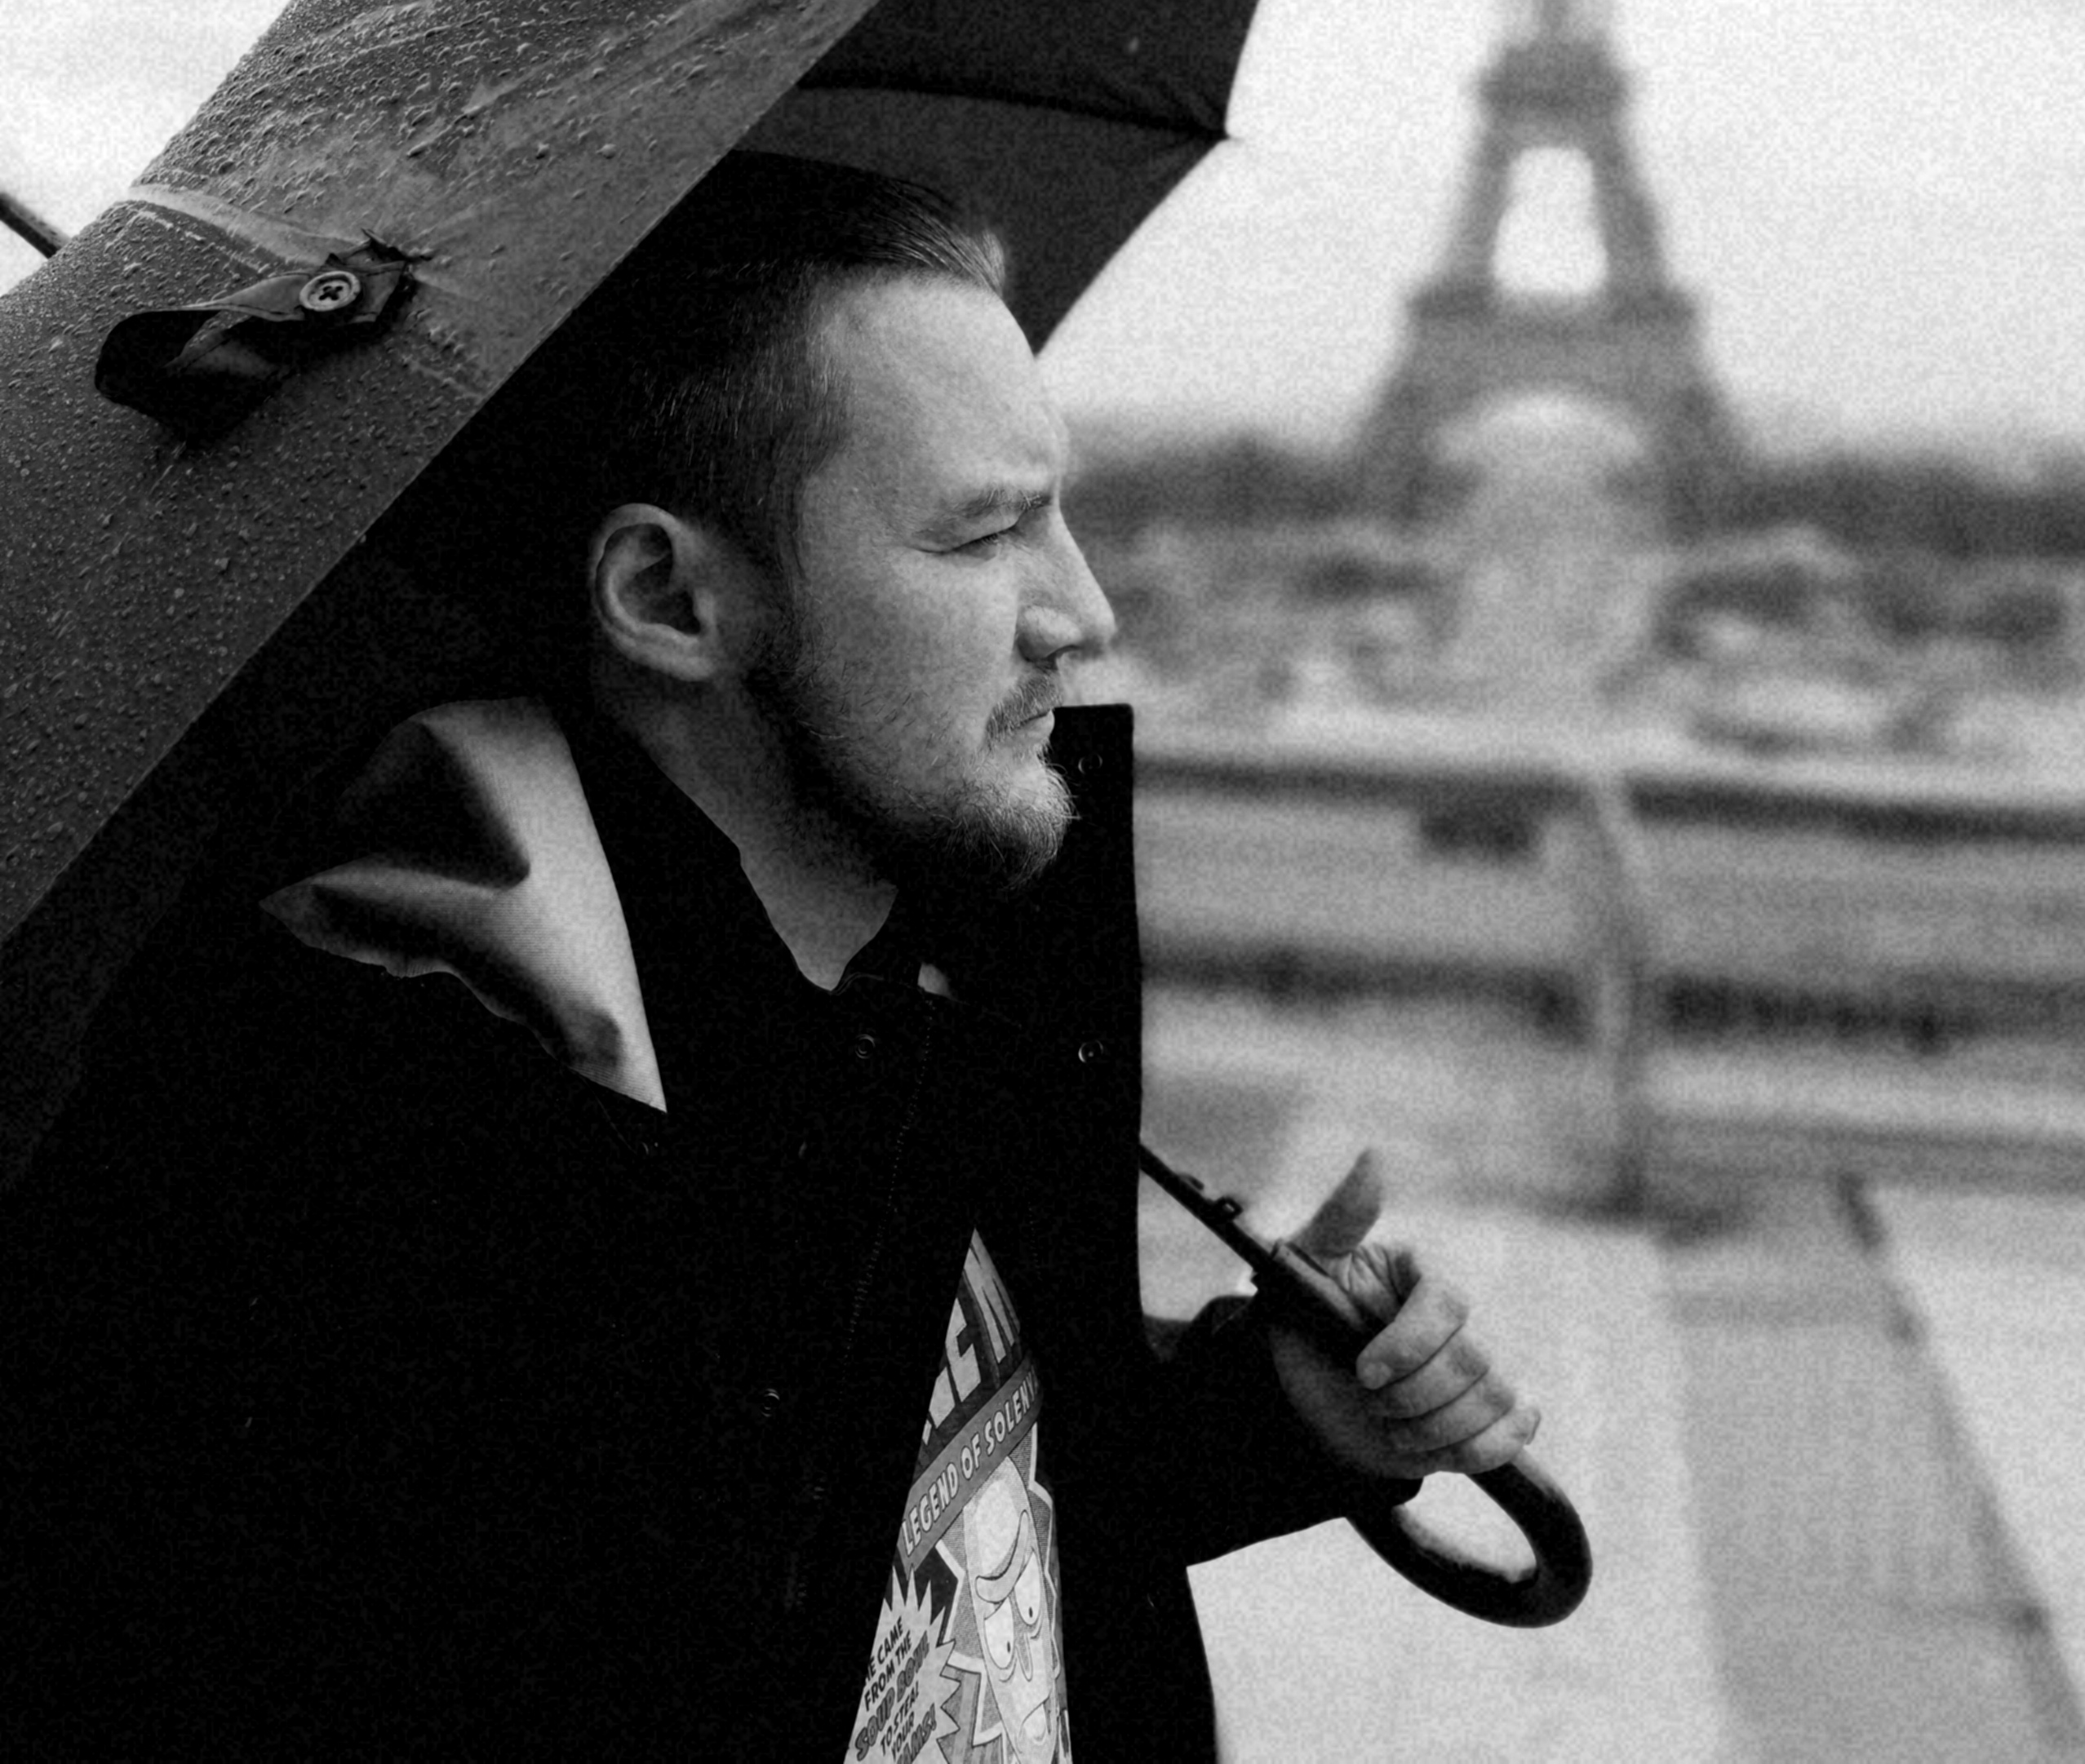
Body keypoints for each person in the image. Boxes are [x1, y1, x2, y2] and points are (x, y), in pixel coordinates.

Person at [0, 154, 1539, 1759]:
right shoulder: (351, 1180)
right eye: (983, 536)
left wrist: (1271, 1415)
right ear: (671, 598)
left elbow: (907, 1545)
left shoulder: (905, 984)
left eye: (1059, 513)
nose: (1082, 612)